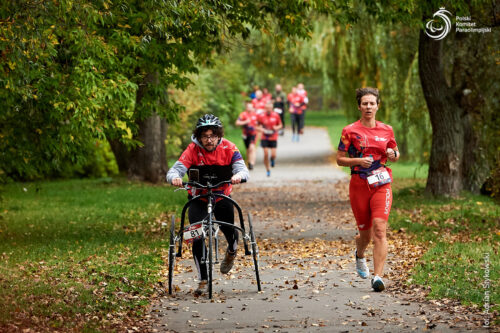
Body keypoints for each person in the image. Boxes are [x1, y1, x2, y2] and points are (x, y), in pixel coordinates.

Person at [167, 114, 250, 296]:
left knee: (230, 230)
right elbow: (176, 169)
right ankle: (203, 279)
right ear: (198, 136)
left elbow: (243, 169)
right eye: (205, 136)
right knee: (196, 234)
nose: (209, 140)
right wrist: (175, 177)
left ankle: (232, 251)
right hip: (199, 198)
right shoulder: (192, 149)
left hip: (221, 197)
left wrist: (238, 176)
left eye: (212, 135)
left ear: (219, 135)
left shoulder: (229, 147)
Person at [336, 87, 400, 292]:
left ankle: (378, 276)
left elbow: (395, 153)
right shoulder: (349, 131)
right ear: (359, 106)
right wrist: (357, 161)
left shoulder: (387, 129)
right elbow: (339, 159)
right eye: (365, 103)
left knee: (380, 229)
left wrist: (392, 154)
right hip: (359, 184)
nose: (368, 107)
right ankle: (360, 253)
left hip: (381, 184)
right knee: (365, 234)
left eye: (372, 103)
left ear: (378, 105)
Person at [257, 101, 283, 177]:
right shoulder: (261, 116)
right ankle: (268, 169)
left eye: (270, 108)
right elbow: (256, 126)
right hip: (264, 137)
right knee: (266, 153)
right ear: (265, 108)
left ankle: (272, 160)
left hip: (273, 136)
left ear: (272, 108)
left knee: (273, 155)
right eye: (267, 108)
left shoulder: (276, 115)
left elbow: (281, 125)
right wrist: (260, 129)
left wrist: (277, 127)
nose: (268, 109)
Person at [235, 101, 258, 170]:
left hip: (253, 134)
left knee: (252, 148)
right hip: (245, 134)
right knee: (248, 150)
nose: (249, 108)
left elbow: (260, 123)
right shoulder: (243, 114)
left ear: (253, 107)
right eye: (248, 107)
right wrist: (245, 122)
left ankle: (252, 164)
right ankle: (249, 162)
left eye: (251, 107)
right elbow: (237, 123)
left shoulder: (255, 115)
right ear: (246, 107)